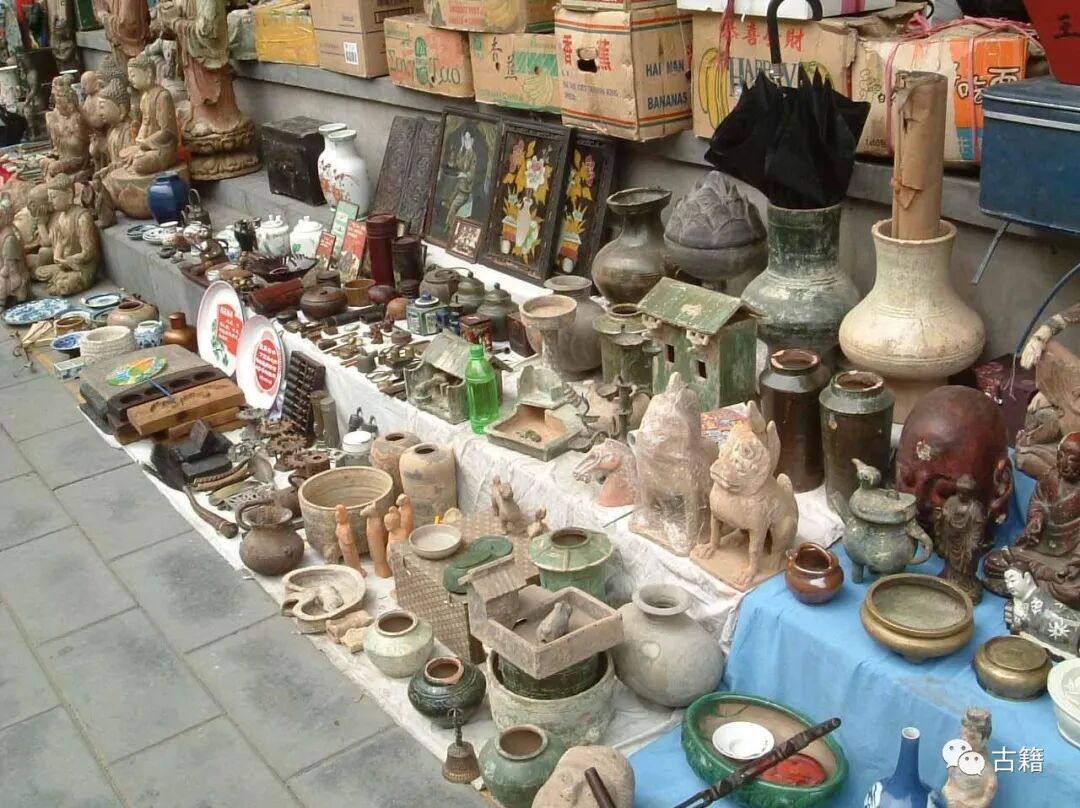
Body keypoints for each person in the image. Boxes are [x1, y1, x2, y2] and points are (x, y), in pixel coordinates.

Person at [984, 432, 1080, 607]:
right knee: (993, 561)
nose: (1063, 463)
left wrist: (1075, 563)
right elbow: (1038, 502)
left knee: (1074, 591)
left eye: (1072, 460)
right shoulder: (1050, 477)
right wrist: (1037, 519)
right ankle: (1027, 584)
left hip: (1067, 559)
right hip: (1039, 550)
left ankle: (1022, 586)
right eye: (1060, 456)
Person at [32, 174, 99, 296]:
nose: (50, 201)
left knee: (66, 284)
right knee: (39, 271)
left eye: (54, 197)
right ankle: (60, 280)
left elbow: (89, 253)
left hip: (81, 269)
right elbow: (57, 244)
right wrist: (58, 255)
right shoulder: (60, 218)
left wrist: (67, 261)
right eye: (49, 197)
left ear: (68, 194)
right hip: (65, 266)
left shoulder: (82, 217)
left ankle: (61, 282)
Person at [0, 196, 29, 307]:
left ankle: (3, 302)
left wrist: (4, 271)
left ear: (6, 218)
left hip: (12, 273)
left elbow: (11, 266)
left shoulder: (10, 238)